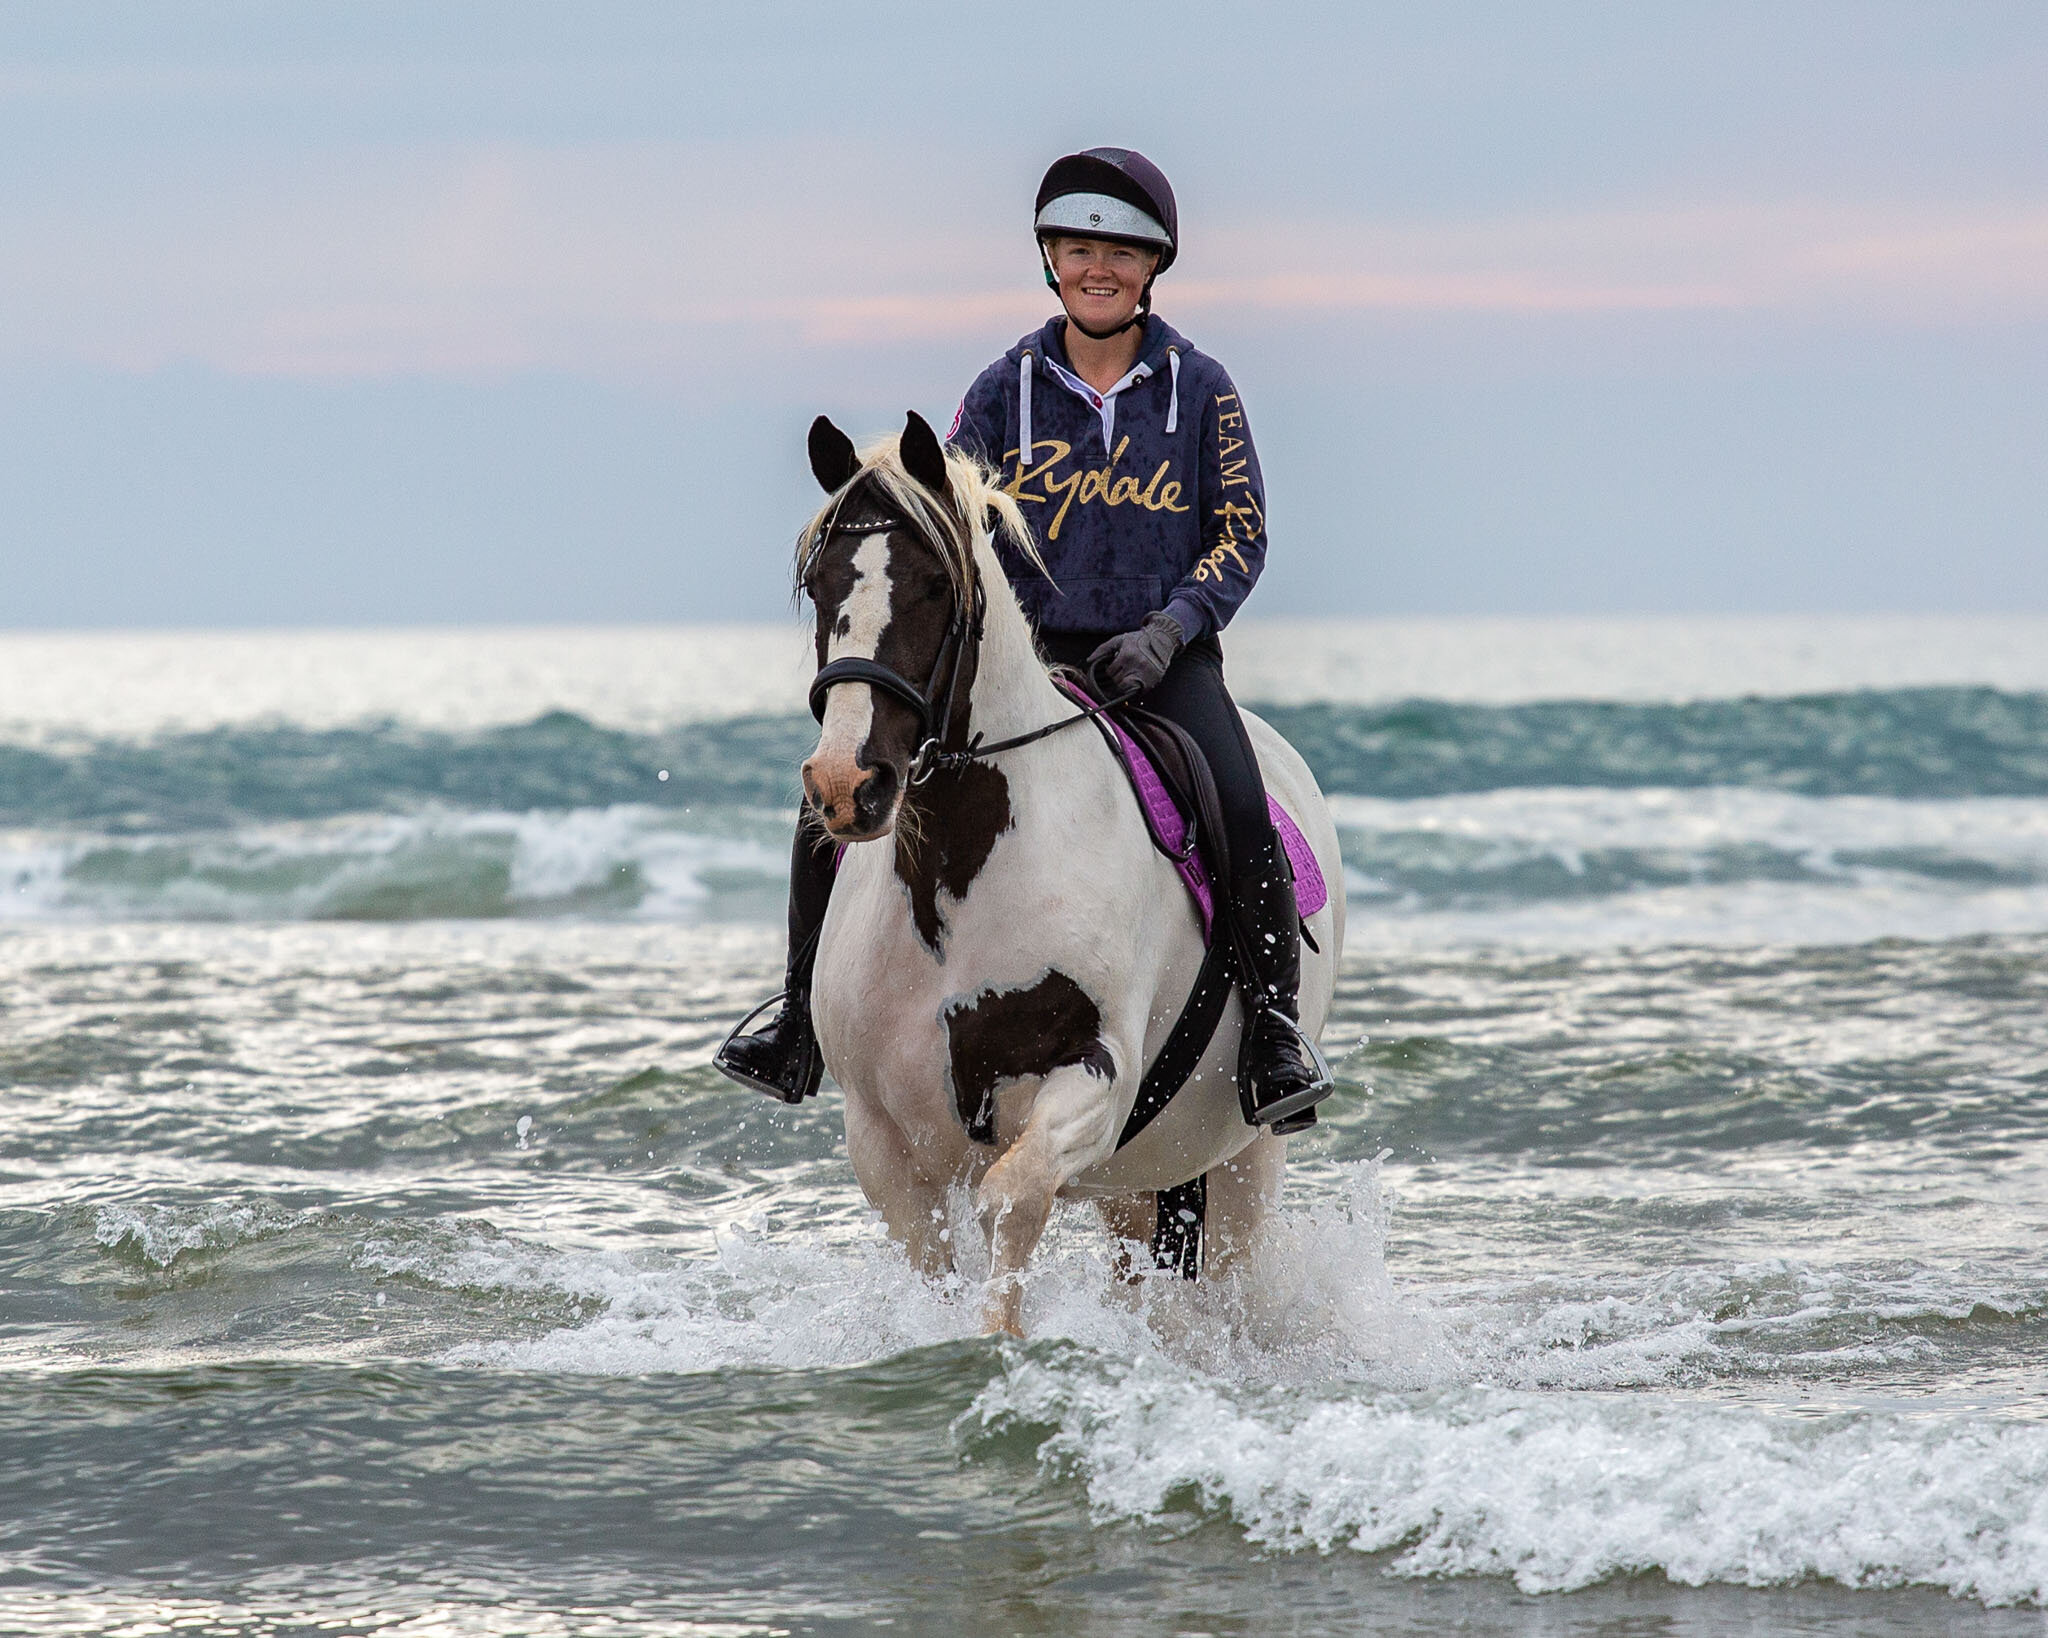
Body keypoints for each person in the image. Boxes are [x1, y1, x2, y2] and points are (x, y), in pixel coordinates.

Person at [716, 146, 1326, 1128]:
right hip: (1024, 664)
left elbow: (1240, 534)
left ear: (1151, 269)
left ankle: (1271, 1033)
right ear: (1050, 259)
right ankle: (794, 1019)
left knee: (1235, 799)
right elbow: (943, 524)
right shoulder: (1002, 390)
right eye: (1079, 248)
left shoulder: (1200, 388)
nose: (1099, 268)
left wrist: (1168, 634)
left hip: (1157, 661)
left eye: (1121, 254)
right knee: (832, 799)